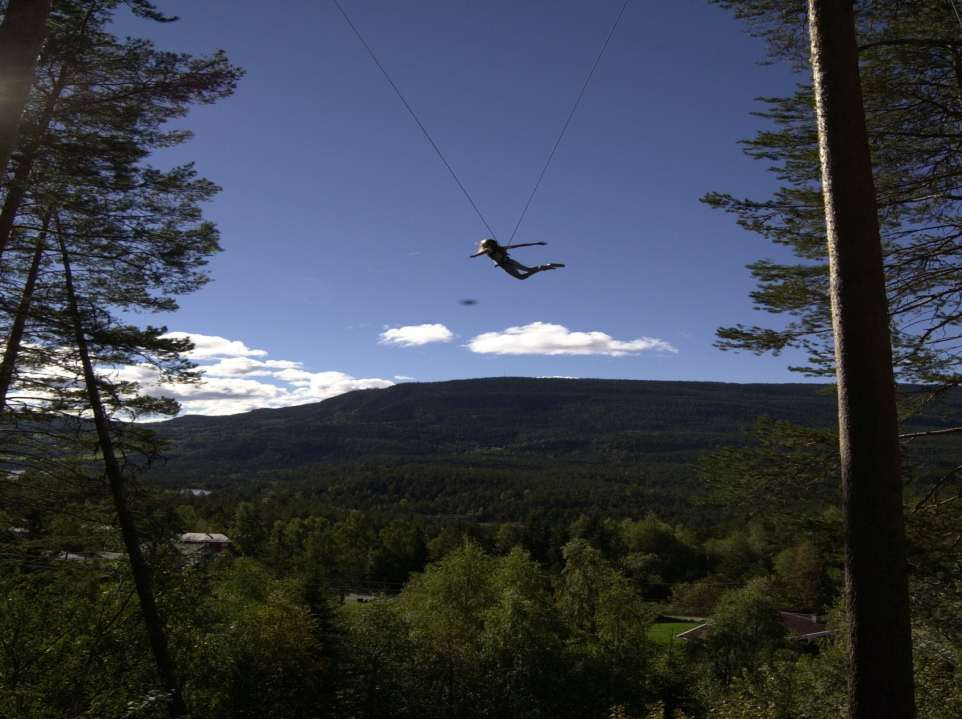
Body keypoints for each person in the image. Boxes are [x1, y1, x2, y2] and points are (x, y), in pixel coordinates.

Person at [469, 238, 565, 280]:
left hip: (506, 265)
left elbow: (483, 252)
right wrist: (536, 243)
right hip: (509, 262)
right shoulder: (501, 248)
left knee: (522, 277)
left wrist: (475, 255)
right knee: (528, 270)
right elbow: (520, 245)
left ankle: (545, 267)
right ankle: (546, 266)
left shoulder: (488, 249)